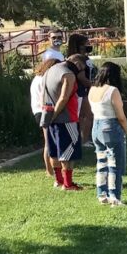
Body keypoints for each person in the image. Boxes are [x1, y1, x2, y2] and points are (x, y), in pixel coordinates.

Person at [89, 62, 127, 206]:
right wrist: (125, 128)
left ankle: (102, 194)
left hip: (96, 126)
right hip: (110, 125)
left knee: (101, 162)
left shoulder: (92, 89)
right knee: (115, 163)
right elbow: (120, 115)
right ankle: (115, 196)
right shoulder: (112, 90)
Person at [40, 57, 83, 190]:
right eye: (82, 68)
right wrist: (55, 114)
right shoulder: (68, 74)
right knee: (67, 152)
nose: (81, 73)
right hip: (66, 118)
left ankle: (58, 181)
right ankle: (68, 184)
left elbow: (43, 95)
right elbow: (64, 97)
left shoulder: (48, 71)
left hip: (50, 116)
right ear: (76, 64)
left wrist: (48, 115)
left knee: (55, 151)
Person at [31, 58, 60, 177]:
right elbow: (45, 96)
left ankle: (51, 169)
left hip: (38, 110)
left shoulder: (36, 78)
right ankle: (49, 170)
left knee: (48, 141)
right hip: (44, 111)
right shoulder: (44, 79)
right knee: (49, 142)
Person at [66, 33, 96, 144]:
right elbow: (81, 77)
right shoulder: (76, 59)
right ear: (79, 45)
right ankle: (83, 140)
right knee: (86, 115)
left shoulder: (85, 57)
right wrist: (93, 85)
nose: (89, 45)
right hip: (80, 90)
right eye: (86, 43)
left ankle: (85, 138)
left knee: (88, 115)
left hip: (87, 90)